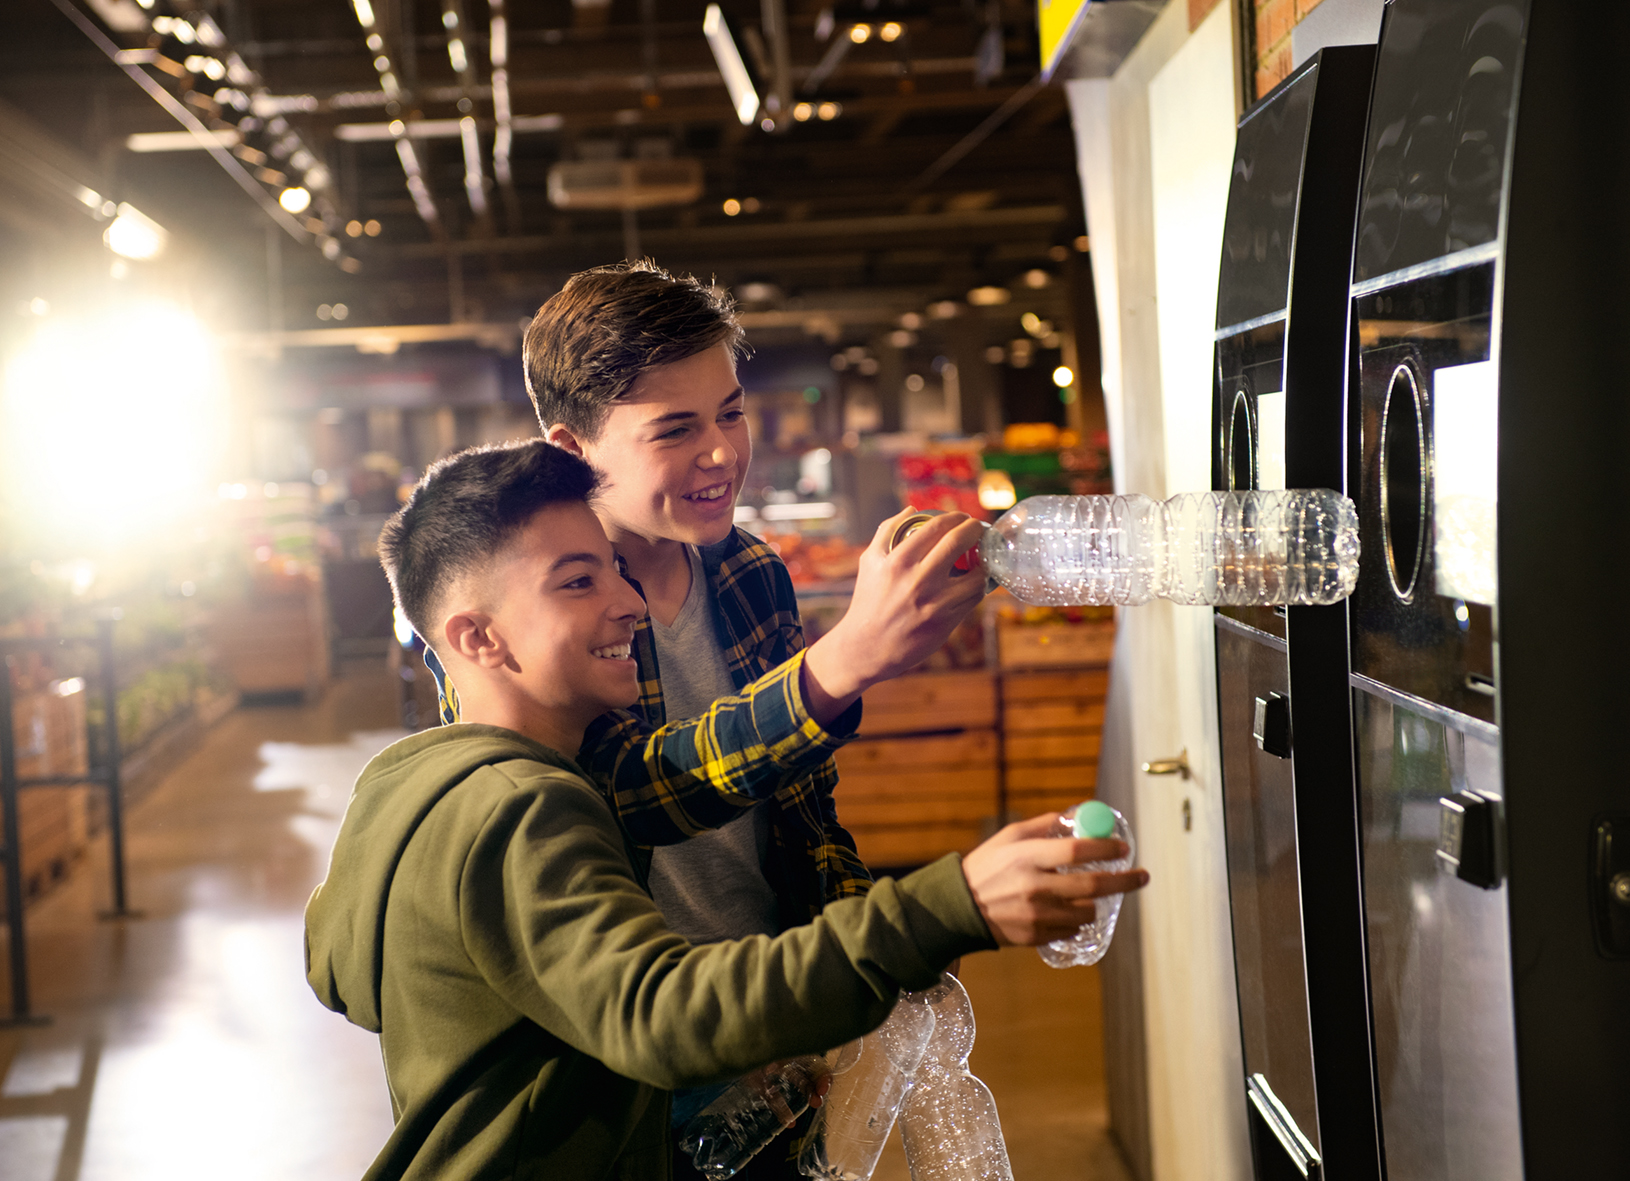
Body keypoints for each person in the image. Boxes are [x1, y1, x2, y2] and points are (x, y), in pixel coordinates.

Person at [305, 441, 1148, 1181]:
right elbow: (658, 1014)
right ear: (479, 639)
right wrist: (948, 903)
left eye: (610, 567)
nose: (626, 601)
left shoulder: (403, 782)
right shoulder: (519, 806)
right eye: (577, 581)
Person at [422, 261, 990, 1175]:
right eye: (676, 429)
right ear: (573, 449)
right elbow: (620, 795)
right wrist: (842, 662)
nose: (722, 451)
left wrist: (862, 957)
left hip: (771, 1027)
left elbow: (803, 807)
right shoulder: (525, 620)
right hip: (625, 1058)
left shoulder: (748, 570)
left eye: (730, 410)